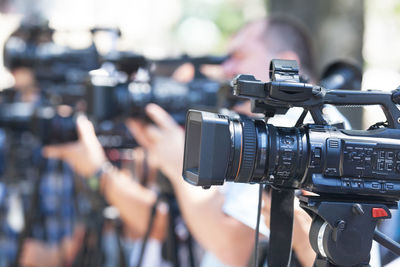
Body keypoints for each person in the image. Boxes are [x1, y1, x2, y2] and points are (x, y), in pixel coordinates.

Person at [43, 16, 317, 267]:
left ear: (285, 63)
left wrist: (178, 163)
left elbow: (235, 248)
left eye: (238, 56)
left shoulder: (295, 133)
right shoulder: (271, 126)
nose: (226, 68)